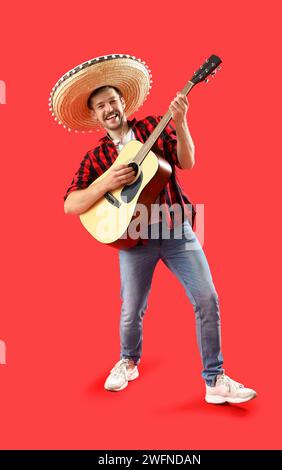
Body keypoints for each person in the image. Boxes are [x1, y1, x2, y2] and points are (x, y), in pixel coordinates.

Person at [51, 54, 257, 404]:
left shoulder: (153, 128)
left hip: (177, 231)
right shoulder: (96, 158)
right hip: (134, 240)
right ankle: (128, 362)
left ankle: (215, 380)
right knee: (132, 308)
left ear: (123, 102)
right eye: (101, 106)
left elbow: (187, 161)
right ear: (95, 115)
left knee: (207, 299)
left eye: (113, 101)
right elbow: (70, 204)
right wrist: (105, 183)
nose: (109, 109)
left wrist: (183, 121)